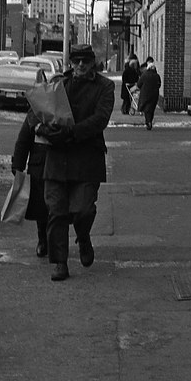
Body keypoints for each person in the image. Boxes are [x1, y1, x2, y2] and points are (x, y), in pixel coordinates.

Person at [36, 43, 115, 282]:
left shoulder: (105, 87)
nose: (80, 65)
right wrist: (44, 129)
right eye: (77, 60)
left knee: (82, 209)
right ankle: (60, 262)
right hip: (57, 158)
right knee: (56, 212)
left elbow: (100, 119)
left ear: (93, 63)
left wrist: (71, 132)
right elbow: (38, 112)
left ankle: (83, 236)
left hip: (87, 158)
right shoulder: (58, 84)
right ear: (71, 62)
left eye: (85, 61)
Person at [11, 113, 49, 258]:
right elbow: (24, 139)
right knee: (41, 206)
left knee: (57, 207)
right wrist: (17, 165)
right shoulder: (36, 110)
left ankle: (55, 241)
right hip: (39, 167)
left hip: (58, 165)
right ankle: (42, 238)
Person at [137, 59, 161, 130]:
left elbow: (139, 84)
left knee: (146, 109)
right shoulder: (157, 76)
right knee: (151, 108)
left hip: (145, 94)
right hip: (154, 95)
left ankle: (148, 121)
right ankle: (149, 120)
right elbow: (159, 84)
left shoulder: (144, 75)